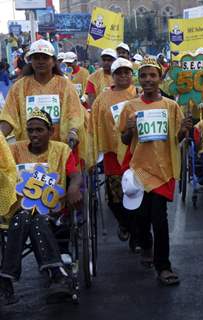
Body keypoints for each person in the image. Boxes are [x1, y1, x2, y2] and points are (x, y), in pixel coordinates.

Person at [118, 57, 193, 285]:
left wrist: (184, 130)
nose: (148, 80)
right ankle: (146, 244)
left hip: (163, 170)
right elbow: (124, 139)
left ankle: (164, 266)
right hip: (139, 169)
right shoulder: (131, 107)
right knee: (140, 217)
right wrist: (129, 130)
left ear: (160, 78)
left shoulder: (171, 106)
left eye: (153, 75)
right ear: (139, 79)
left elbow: (178, 138)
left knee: (159, 219)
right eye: (144, 75)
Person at [0, 109, 82, 305]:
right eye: (30, 130)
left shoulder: (62, 150)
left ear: (51, 131)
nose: (34, 135)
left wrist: (73, 188)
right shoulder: (15, 150)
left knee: (32, 217)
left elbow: (76, 175)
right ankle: (57, 274)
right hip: (20, 208)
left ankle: (6, 279)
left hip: (55, 209)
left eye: (39, 130)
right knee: (29, 216)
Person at [0, 40, 85, 157]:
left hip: (59, 150)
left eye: (45, 57)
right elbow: (9, 118)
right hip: (28, 152)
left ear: (54, 61)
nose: (40, 61)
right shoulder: (19, 87)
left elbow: (74, 113)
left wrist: (73, 132)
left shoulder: (65, 85)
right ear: (30, 61)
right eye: (36, 58)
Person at [90, 58, 138, 243]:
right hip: (112, 153)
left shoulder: (138, 93)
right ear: (114, 76)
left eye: (127, 72)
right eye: (119, 72)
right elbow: (93, 122)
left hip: (135, 152)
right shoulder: (103, 98)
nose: (123, 75)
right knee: (115, 199)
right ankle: (124, 224)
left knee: (136, 194)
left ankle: (137, 235)